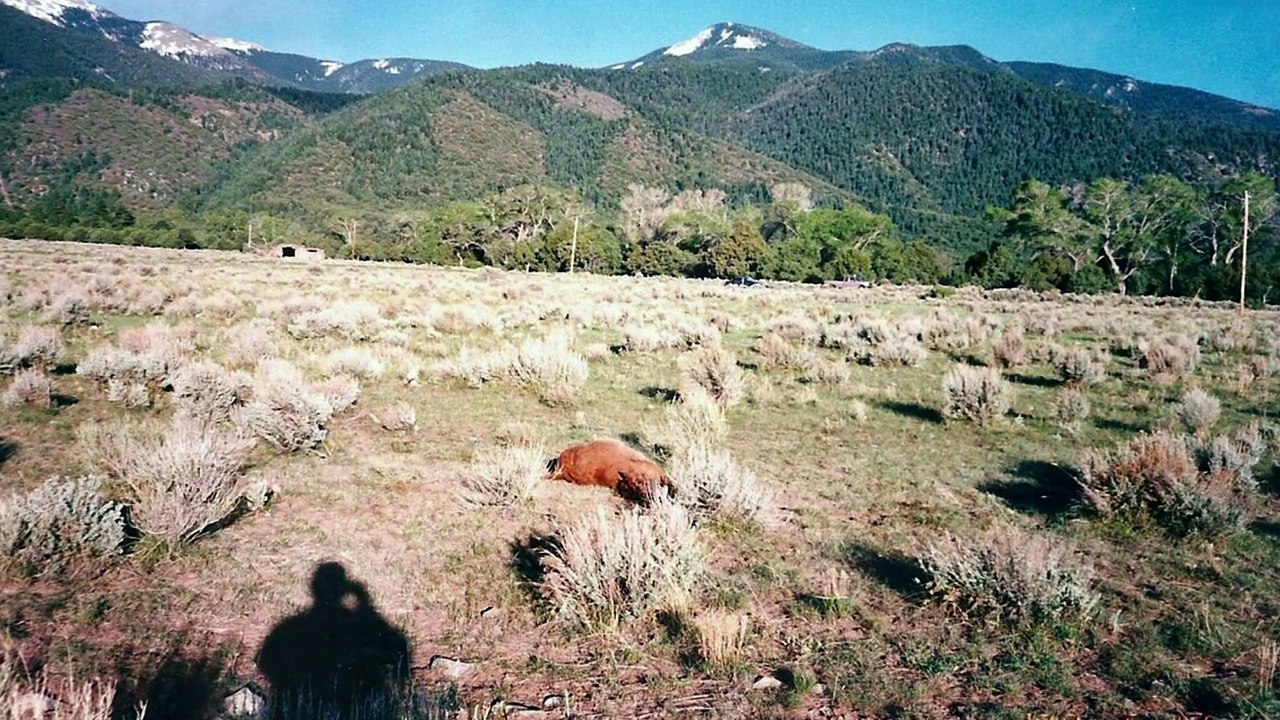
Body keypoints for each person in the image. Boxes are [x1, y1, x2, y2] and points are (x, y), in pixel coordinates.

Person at [257, 562, 411, 718]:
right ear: (343, 591)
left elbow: (265, 663)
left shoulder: (290, 629)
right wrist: (366, 609)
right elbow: (400, 654)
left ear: (313, 588)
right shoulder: (362, 627)